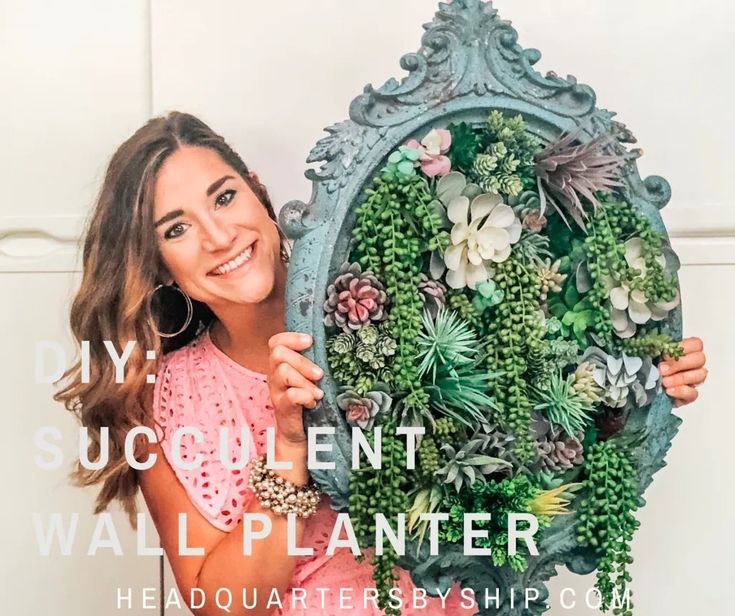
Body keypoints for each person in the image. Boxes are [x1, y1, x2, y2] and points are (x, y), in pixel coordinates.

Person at [53, 111, 708, 616]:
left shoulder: (401, 294)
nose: (218, 236)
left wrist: (638, 384)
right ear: (155, 262)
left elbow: (532, 435)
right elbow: (221, 601)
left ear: (257, 193)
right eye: (176, 228)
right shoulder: (160, 399)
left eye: (223, 198)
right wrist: (289, 446)